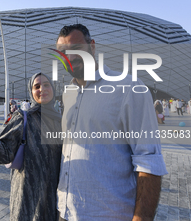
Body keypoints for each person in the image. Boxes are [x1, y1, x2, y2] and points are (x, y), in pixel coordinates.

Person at [56, 24, 167, 221]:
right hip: (66, 212)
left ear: (92, 46)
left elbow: (149, 160)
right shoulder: (69, 94)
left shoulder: (128, 88)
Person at [0, 73, 62, 221]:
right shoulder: (23, 117)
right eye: (37, 86)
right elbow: (4, 153)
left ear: (53, 88)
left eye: (46, 85)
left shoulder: (62, 121)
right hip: (29, 200)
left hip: (55, 199)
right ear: (31, 92)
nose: (42, 89)